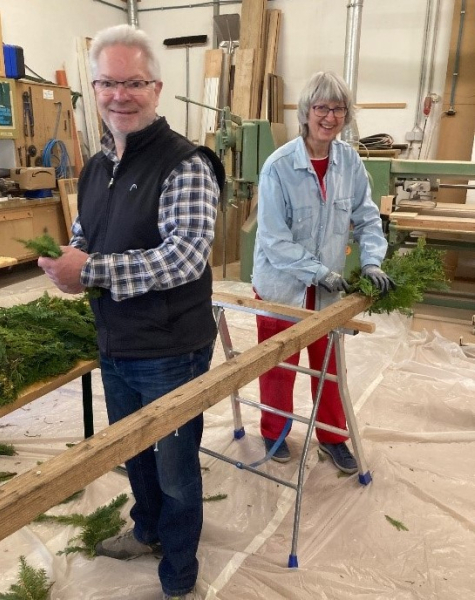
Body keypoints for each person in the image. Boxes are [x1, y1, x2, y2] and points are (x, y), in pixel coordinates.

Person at [38, 24, 224, 600]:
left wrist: (90, 271)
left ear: (157, 88)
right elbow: (85, 233)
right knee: (132, 451)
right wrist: (67, 259)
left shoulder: (185, 164)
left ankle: (179, 571)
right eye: (107, 83)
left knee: (175, 468)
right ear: (94, 89)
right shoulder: (97, 166)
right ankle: (147, 531)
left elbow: (185, 257)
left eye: (134, 83)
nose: (120, 95)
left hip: (171, 348)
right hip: (116, 340)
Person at [252, 71, 394, 473]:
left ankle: (332, 438)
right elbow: (274, 239)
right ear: (306, 111)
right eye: (321, 108)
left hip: (327, 291)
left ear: (346, 115)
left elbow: (367, 218)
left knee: (329, 367)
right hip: (283, 287)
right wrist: (317, 271)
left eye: (338, 109)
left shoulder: (350, 162)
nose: (330, 117)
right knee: (278, 365)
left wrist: (372, 261)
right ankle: (274, 431)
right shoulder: (279, 167)